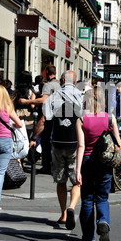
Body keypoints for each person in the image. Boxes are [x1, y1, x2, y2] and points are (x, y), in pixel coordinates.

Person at [76, 86, 121, 241]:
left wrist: (77, 171)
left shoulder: (82, 120)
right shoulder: (110, 118)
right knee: (102, 197)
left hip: (88, 161)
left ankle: (88, 237)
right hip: (106, 162)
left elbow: (81, 147)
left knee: (88, 199)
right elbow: (118, 142)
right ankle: (103, 221)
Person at [43, 70, 83, 229]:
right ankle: (72, 207)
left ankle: (63, 214)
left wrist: (34, 139)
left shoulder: (54, 96)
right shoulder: (81, 96)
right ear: (75, 81)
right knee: (77, 180)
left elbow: (45, 118)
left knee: (61, 180)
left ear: (61, 80)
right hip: (75, 143)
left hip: (58, 143)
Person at [23, 65, 60, 174]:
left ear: (47, 72)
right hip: (58, 118)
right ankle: (53, 165)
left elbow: (44, 100)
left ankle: (47, 166)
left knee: (46, 141)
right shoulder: (59, 85)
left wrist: (27, 102)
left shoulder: (48, 85)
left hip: (49, 118)